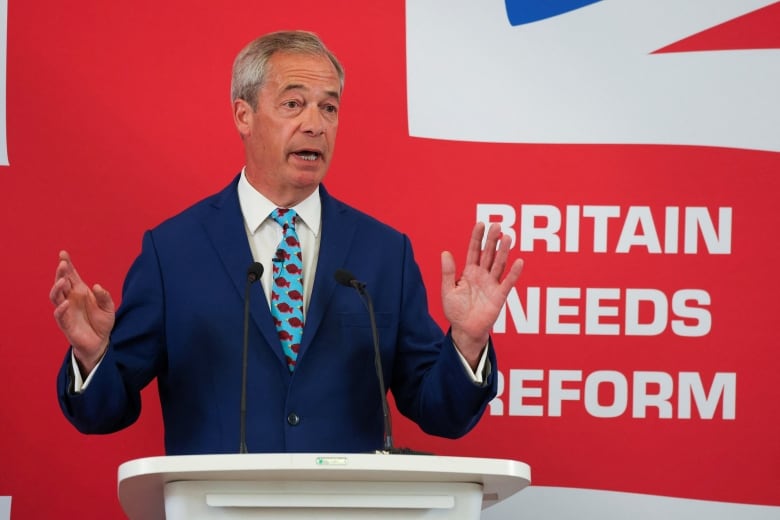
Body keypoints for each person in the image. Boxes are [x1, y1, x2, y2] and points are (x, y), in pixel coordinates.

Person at [50, 30, 524, 455]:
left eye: (329, 107)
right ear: (244, 114)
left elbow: (440, 413)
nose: (316, 124)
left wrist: (466, 343)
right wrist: (92, 358)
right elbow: (103, 413)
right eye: (294, 104)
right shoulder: (172, 252)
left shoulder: (385, 254)